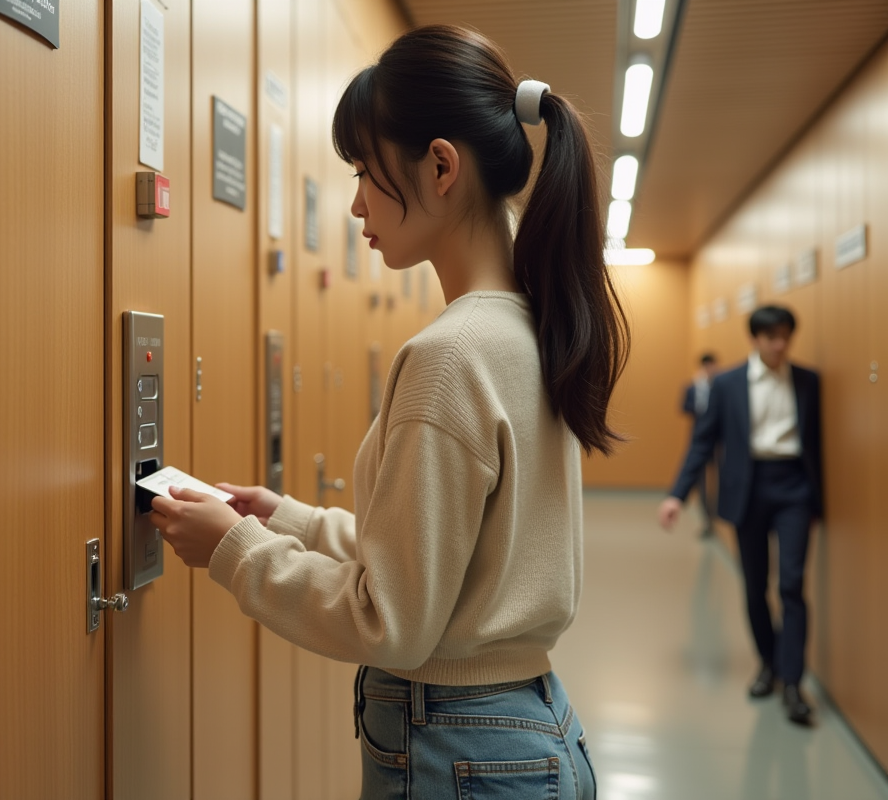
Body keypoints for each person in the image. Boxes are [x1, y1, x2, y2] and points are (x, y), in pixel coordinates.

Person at [150, 24, 628, 799]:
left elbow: (392, 622)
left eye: (366, 173)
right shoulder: (526, 327)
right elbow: (447, 561)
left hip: (458, 750)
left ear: (441, 166)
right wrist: (290, 520)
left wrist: (234, 550)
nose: (354, 204)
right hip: (528, 732)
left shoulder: (451, 356)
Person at [658, 305, 823, 727]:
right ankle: (767, 664)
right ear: (755, 339)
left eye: (786, 335)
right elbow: (702, 442)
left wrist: (817, 500)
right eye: (771, 336)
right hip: (748, 490)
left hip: (793, 490)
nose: (779, 344)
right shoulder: (727, 384)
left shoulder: (807, 381)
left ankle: (792, 682)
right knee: (754, 585)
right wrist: (678, 494)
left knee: (791, 584)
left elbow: (815, 445)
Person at [681, 352, 719, 536]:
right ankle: (707, 519)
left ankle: (717, 516)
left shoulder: (720, 386)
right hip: (700, 437)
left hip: (719, 440)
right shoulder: (693, 386)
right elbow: (684, 407)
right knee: (701, 480)